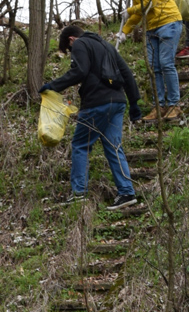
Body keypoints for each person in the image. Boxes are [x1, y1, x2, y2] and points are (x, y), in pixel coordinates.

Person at [39, 25, 142, 210]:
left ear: (71, 39)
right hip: (118, 102)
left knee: (80, 145)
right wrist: (134, 103)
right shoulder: (107, 46)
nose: (72, 53)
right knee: (113, 146)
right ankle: (126, 192)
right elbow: (126, 73)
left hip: (97, 103)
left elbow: (80, 71)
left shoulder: (80, 44)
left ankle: (79, 192)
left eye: (69, 50)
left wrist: (52, 86)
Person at [109, 0, 183, 122]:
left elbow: (150, 2)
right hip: (151, 27)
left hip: (168, 22)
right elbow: (139, 12)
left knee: (165, 64)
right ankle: (159, 107)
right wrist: (124, 32)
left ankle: (174, 105)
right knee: (153, 68)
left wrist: (129, 10)